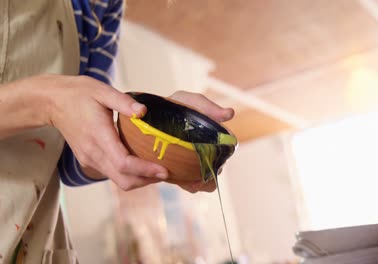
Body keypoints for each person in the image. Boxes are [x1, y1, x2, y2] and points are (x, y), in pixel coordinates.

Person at [0, 0, 234, 263]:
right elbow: (58, 106)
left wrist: (153, 135)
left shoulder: (102, 5)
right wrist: (47, 101)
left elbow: (71, 159)